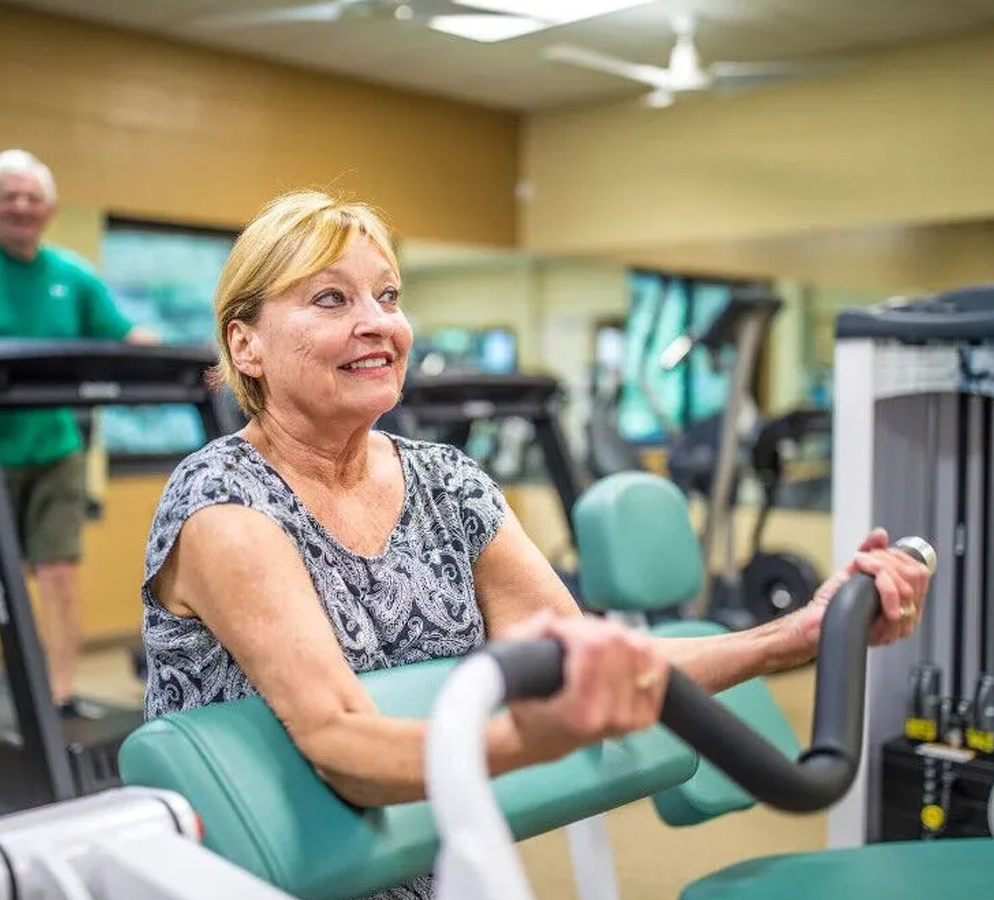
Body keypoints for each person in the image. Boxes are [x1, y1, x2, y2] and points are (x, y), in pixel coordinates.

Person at [139, 190, 932, 900]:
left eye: (387, 295)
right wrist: (531, 738)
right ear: (246, 346)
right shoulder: (226, 507)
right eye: (330, 298)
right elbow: (344, 746)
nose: (378, 321)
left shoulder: (447, 484)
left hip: (428, 872)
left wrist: (796, 635)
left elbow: (593, 656)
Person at [0, 149, 154, 722]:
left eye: (31, 197)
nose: (21, 206)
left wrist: (201, 363)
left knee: (59, 570)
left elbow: (125, 335)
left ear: (49, 209)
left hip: (53, 446)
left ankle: (60, 699)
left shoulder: (70, 275)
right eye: (10, 195)